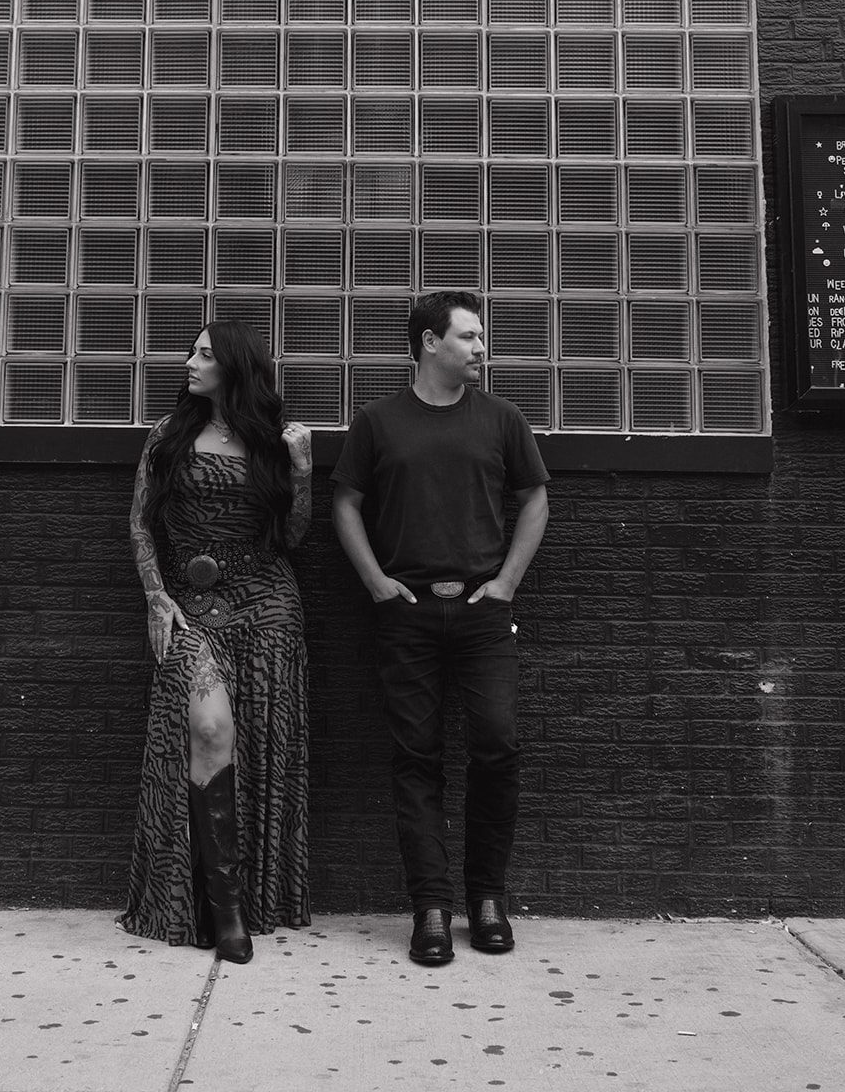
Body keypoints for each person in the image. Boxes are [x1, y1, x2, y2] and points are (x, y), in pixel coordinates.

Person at [331, 290, 549, 967]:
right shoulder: (379, 422)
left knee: (497, 746)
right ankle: (431, 907)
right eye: (468, 337)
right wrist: (376, 584)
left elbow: (535, 496)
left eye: (481, 337)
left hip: (485, 616)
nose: (481, 348)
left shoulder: (502, 419)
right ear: (429, 343)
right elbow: (344, 501)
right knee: (416, 760)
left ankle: (486, 899)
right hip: (408, 616)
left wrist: (506, 583)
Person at [118, 321, 313, 963]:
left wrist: (304, 472)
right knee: (208, 726)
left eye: (204, 353)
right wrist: (155, 594)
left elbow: (290, 539)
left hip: (265, 604)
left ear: (234, 367)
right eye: (192, 350)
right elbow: (142, 524)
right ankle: (223, 910)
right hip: (190, 605)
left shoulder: (269, 445)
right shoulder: (169, 438)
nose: (190, 360)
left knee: (253, 743)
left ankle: (236, 913)